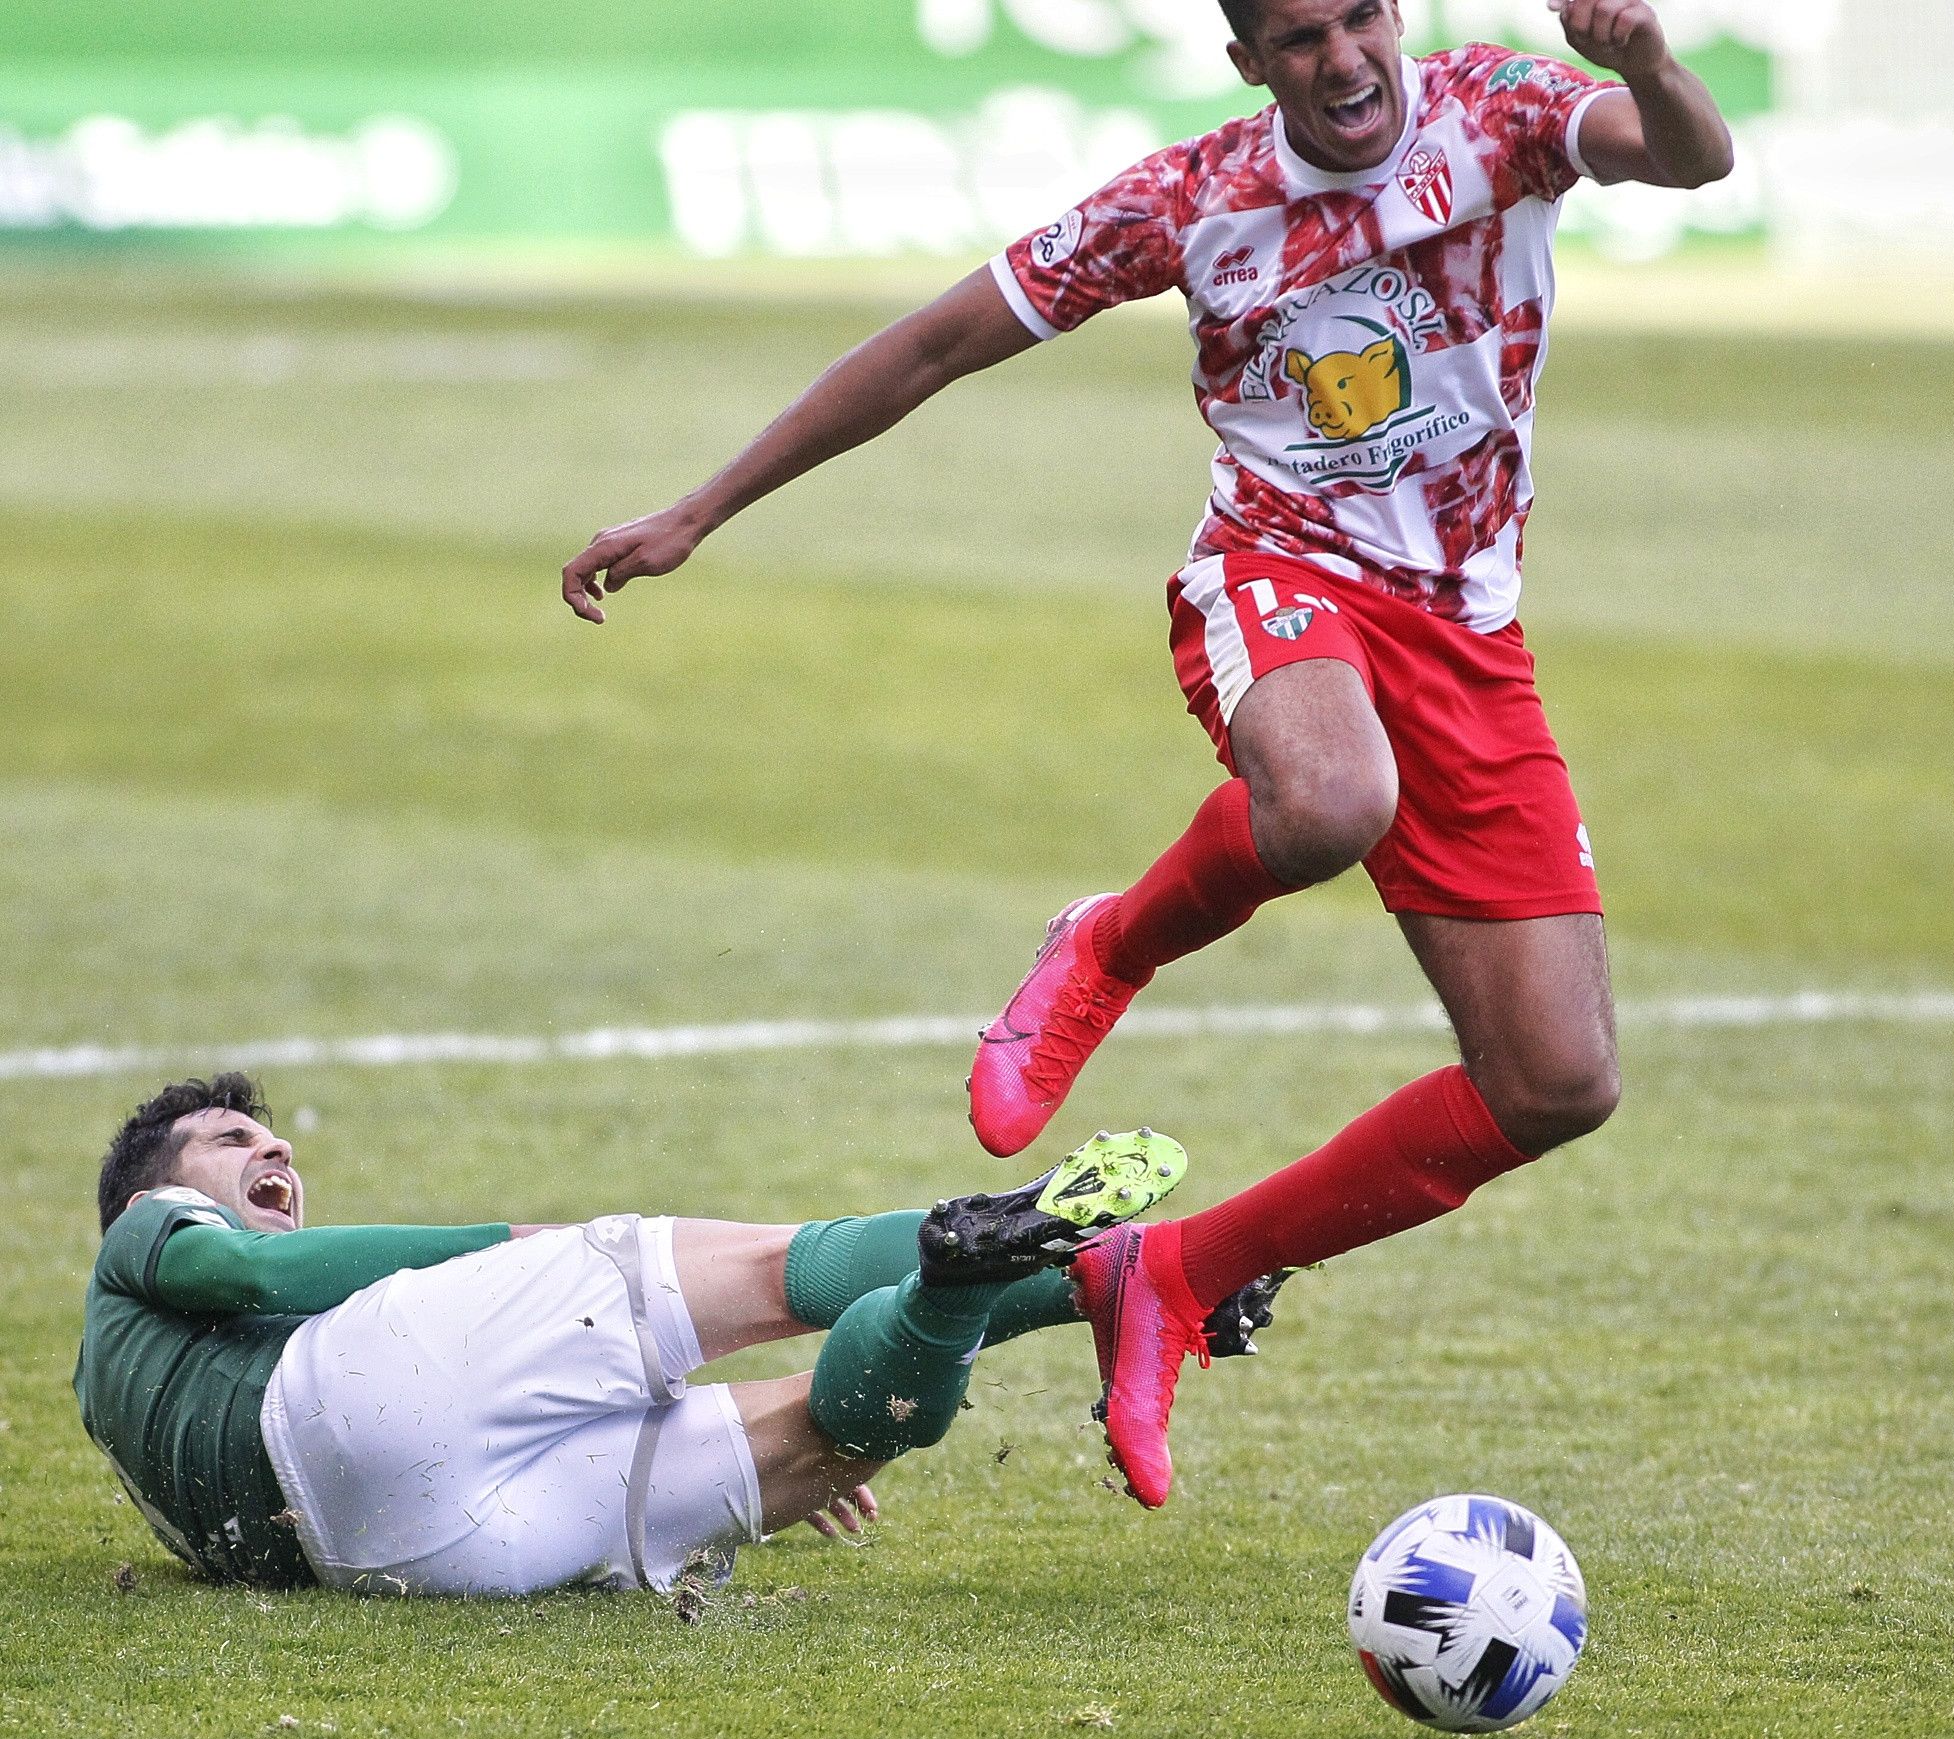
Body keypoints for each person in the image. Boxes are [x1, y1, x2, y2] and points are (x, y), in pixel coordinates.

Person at [557, 0, 1732, 1507]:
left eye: (1362, 16)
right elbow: (934, 343)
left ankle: (1172, 1277)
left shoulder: (1500, 112)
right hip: (1278, 579)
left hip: (1468, 638)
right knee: (1329, 798)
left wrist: (1645, 59)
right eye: (1301, 37)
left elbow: (1691, 158)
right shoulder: (1195, 201)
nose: (1345, 60)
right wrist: (697, 511)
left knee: (1558, 1081)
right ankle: (1110, 940)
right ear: (1250, 59)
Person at [75, 1075, 1289, 1591]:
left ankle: (1031, 1285)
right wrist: (514, 1245)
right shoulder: (142, 1241)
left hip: (404, 1554)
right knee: (765, 1269)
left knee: (825, 1437)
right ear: (150, 1196)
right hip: (342, 1409)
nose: (272, 1149)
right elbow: (236, 1268)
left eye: (270, 1139)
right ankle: (1092, 1266)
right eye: (230, 1140)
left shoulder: (131, 1410)